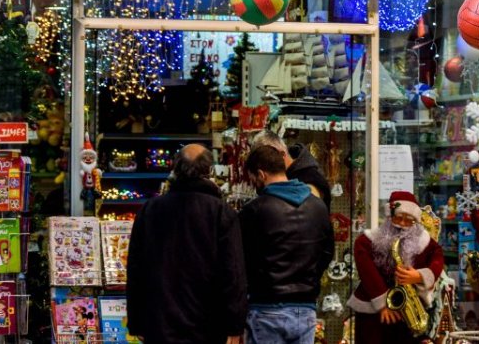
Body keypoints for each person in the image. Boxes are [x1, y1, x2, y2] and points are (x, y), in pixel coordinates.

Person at [126, 144, 247, 344]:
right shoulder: (221, 212)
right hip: (208, 325)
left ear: (176, 168)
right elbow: (232, 273)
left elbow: (136, 269)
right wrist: (234, 325)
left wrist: (137, 321)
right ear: (208, 171)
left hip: (160, 323)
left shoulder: (150, 210)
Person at [240, 145, 334, 344]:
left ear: (261, 174)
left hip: (266, 306)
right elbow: (327, 252)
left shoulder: (254, 210)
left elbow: (242, 260)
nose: (253, 184)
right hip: (305, 308)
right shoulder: (318, 206)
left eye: (253, 179)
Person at [348, 191, 445, 344]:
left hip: (409, 312)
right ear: (389, 217)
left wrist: (420, 276)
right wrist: (382, 303)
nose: (403, 224)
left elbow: (437, 257)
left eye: (409, 220)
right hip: (373, 311)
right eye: (398, 218)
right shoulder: (367, 241)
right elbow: (368, 273)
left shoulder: (425, 242)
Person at [251, 130, 332, 208]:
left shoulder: (311, 180)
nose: (265, 171)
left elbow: (306, 213)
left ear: (282, 155)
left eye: (266, 161)